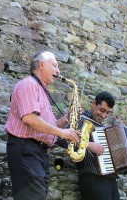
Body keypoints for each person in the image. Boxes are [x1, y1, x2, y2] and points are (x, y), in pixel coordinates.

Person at [5, 51, 80, 200]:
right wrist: (63, 133)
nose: (58, 71)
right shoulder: (29, 85)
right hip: (27, 148)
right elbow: (30, 119)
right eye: (54, 65)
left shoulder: (40, 90)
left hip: (37, 151)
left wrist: (67, 117)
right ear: (41, 65)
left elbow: (48, 127)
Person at [58, 91, 127, 200]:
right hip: (91, 177)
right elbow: (60, 140)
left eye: (107, 112)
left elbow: (115, 151)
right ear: (93, 103)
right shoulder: (80, 119)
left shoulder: (103, 128)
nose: (104, 115)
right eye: (102, 110)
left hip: (110, 179)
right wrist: (87, 144)